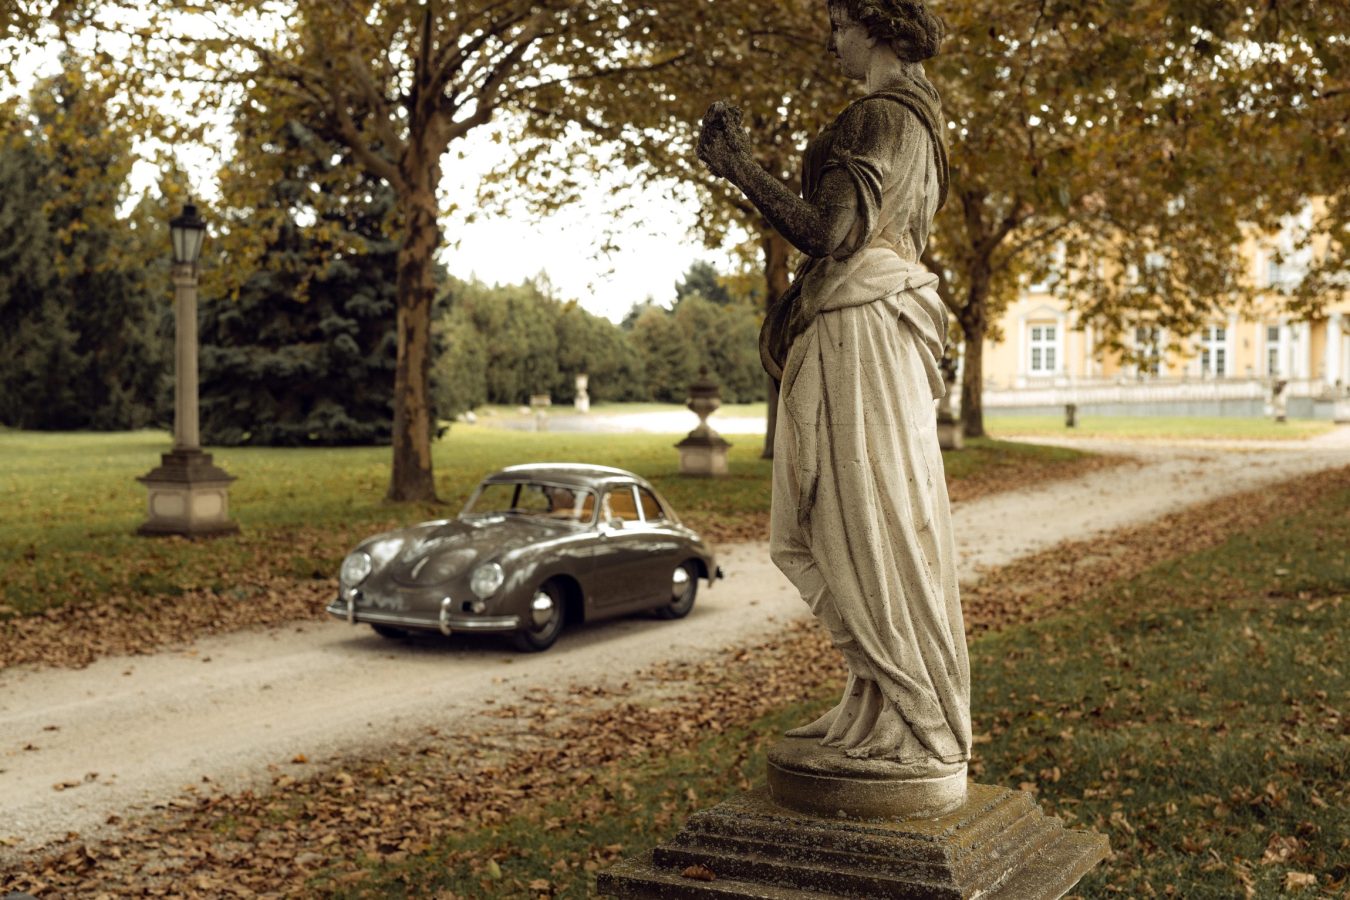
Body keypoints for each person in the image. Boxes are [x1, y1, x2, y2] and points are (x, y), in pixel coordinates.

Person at [697, 0, 969, 779]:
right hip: (871, 328)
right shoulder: (921, 119)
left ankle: (913, 711)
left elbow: (832, 232)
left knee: (861, 519)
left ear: (877, 25)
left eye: (840, 24)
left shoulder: (881, 118)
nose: (831, 39)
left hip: (862, 335)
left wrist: (740, 166)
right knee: (847, 522)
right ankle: (874, 692)